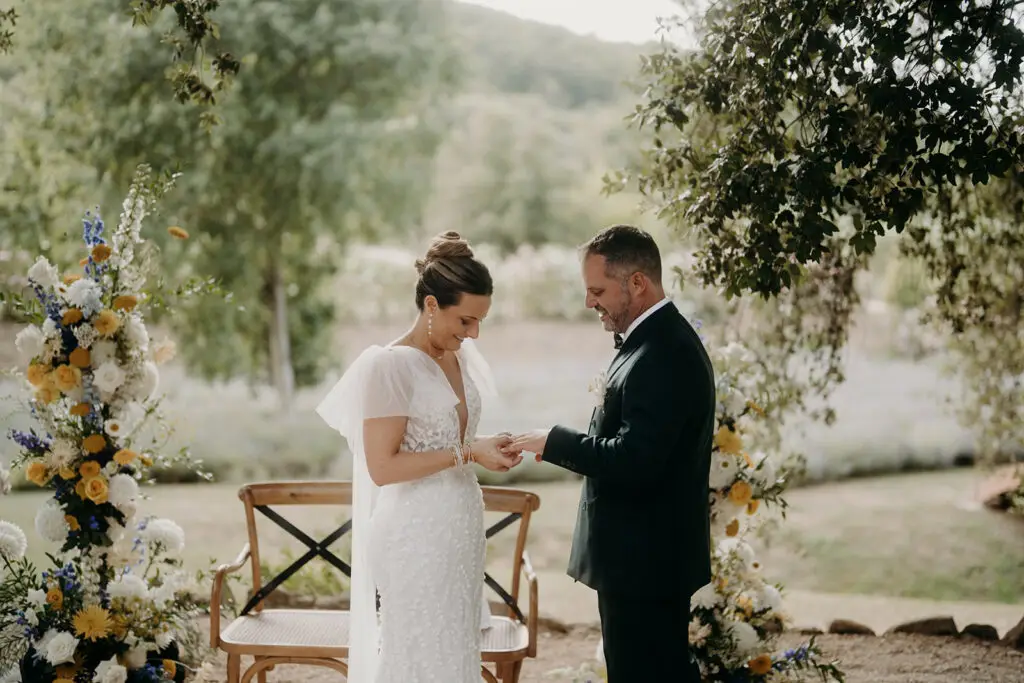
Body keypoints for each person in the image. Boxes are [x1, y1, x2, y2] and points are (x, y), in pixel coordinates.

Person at [507, 225, 716, 682]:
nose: (589, 303)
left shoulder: (664, 352)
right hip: (638, 561)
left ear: (637, 283)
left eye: (597, 290)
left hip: (647, 564)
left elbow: (637, 460)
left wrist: (555, 442)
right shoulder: (650, 342)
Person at [316, 231, 523, 683]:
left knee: (454, 651)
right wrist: (469, 451)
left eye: (479, 322)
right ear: (431, 305)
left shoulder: (456, 355)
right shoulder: (388, 367)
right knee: (419, 654)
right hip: (414, 534)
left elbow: (443, 439)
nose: (474, 333)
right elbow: (383, 467)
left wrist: (488, 448)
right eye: (466, 320)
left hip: (461, 525)